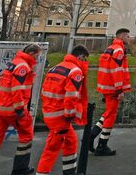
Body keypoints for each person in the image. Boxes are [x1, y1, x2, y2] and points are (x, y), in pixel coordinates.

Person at [0, 43, 41, 175]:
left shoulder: (14, 63)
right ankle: (20, 169)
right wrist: (19, 110)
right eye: (37, 55)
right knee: (26, 135)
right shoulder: (23, 67)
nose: (37, 58)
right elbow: (17, 89)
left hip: (1, 109)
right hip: (13, 110)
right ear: (32, 53)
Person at [36, 45, 90, 175]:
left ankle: (69, 171)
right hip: (61, 117)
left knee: (71, 142)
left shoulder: (55, 68)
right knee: (52, 149)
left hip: (50, 112)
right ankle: (42, 172)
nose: (85, 62)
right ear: (80, 57)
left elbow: (45, 91)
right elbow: (71, 96)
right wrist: (69, 115)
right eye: (85, 59)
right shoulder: (75, 71)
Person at [91, 28, 132, 155]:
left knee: (108, 113)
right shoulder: (119, 50)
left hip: (107, 86)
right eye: (128, 36)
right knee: (110, 115)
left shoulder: (110, 48)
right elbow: (116, 71)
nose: (129, 38)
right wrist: (119, 89)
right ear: (122, 36)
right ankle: (101, 144)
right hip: (113, 88)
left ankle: (94, 139)